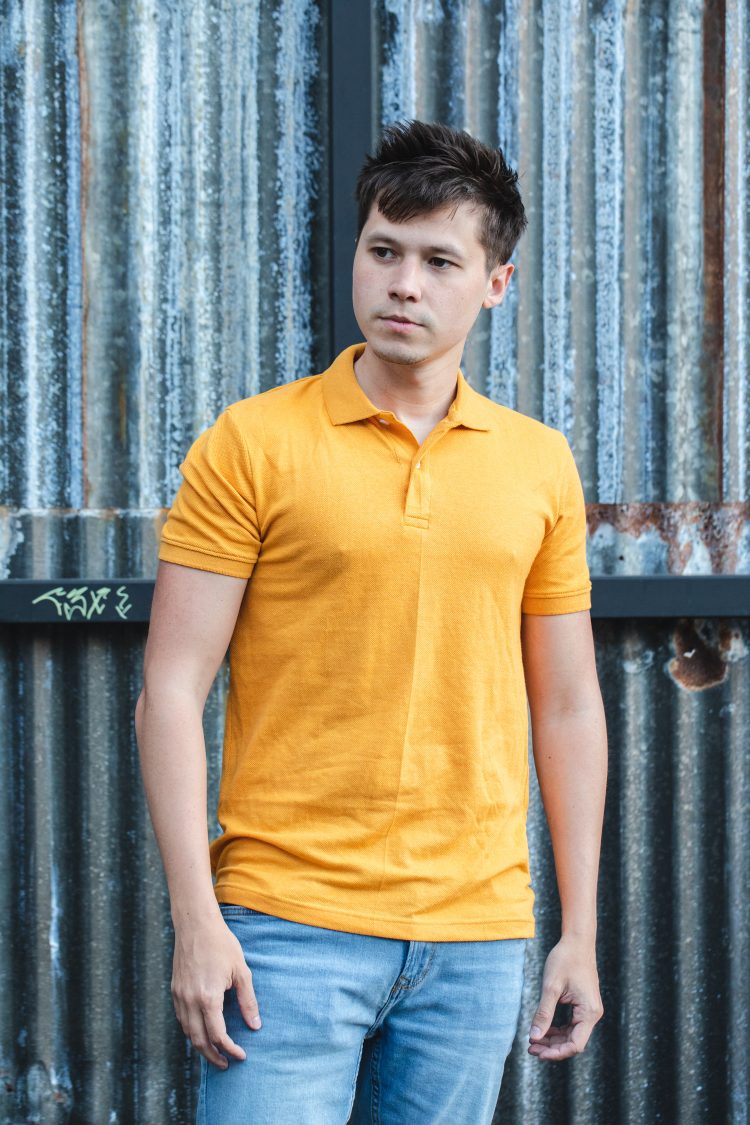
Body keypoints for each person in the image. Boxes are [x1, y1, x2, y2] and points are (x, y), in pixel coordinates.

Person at [135, 119, 607, 1125]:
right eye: (384, 251)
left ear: (496, 283)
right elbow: (170, 689)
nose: (403, 284)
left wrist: (580, 931)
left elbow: (568, 703)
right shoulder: (253, 443)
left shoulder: (538, 464)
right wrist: (196, 918)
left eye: (439, 261)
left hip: (476, 938)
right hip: (286, 927)